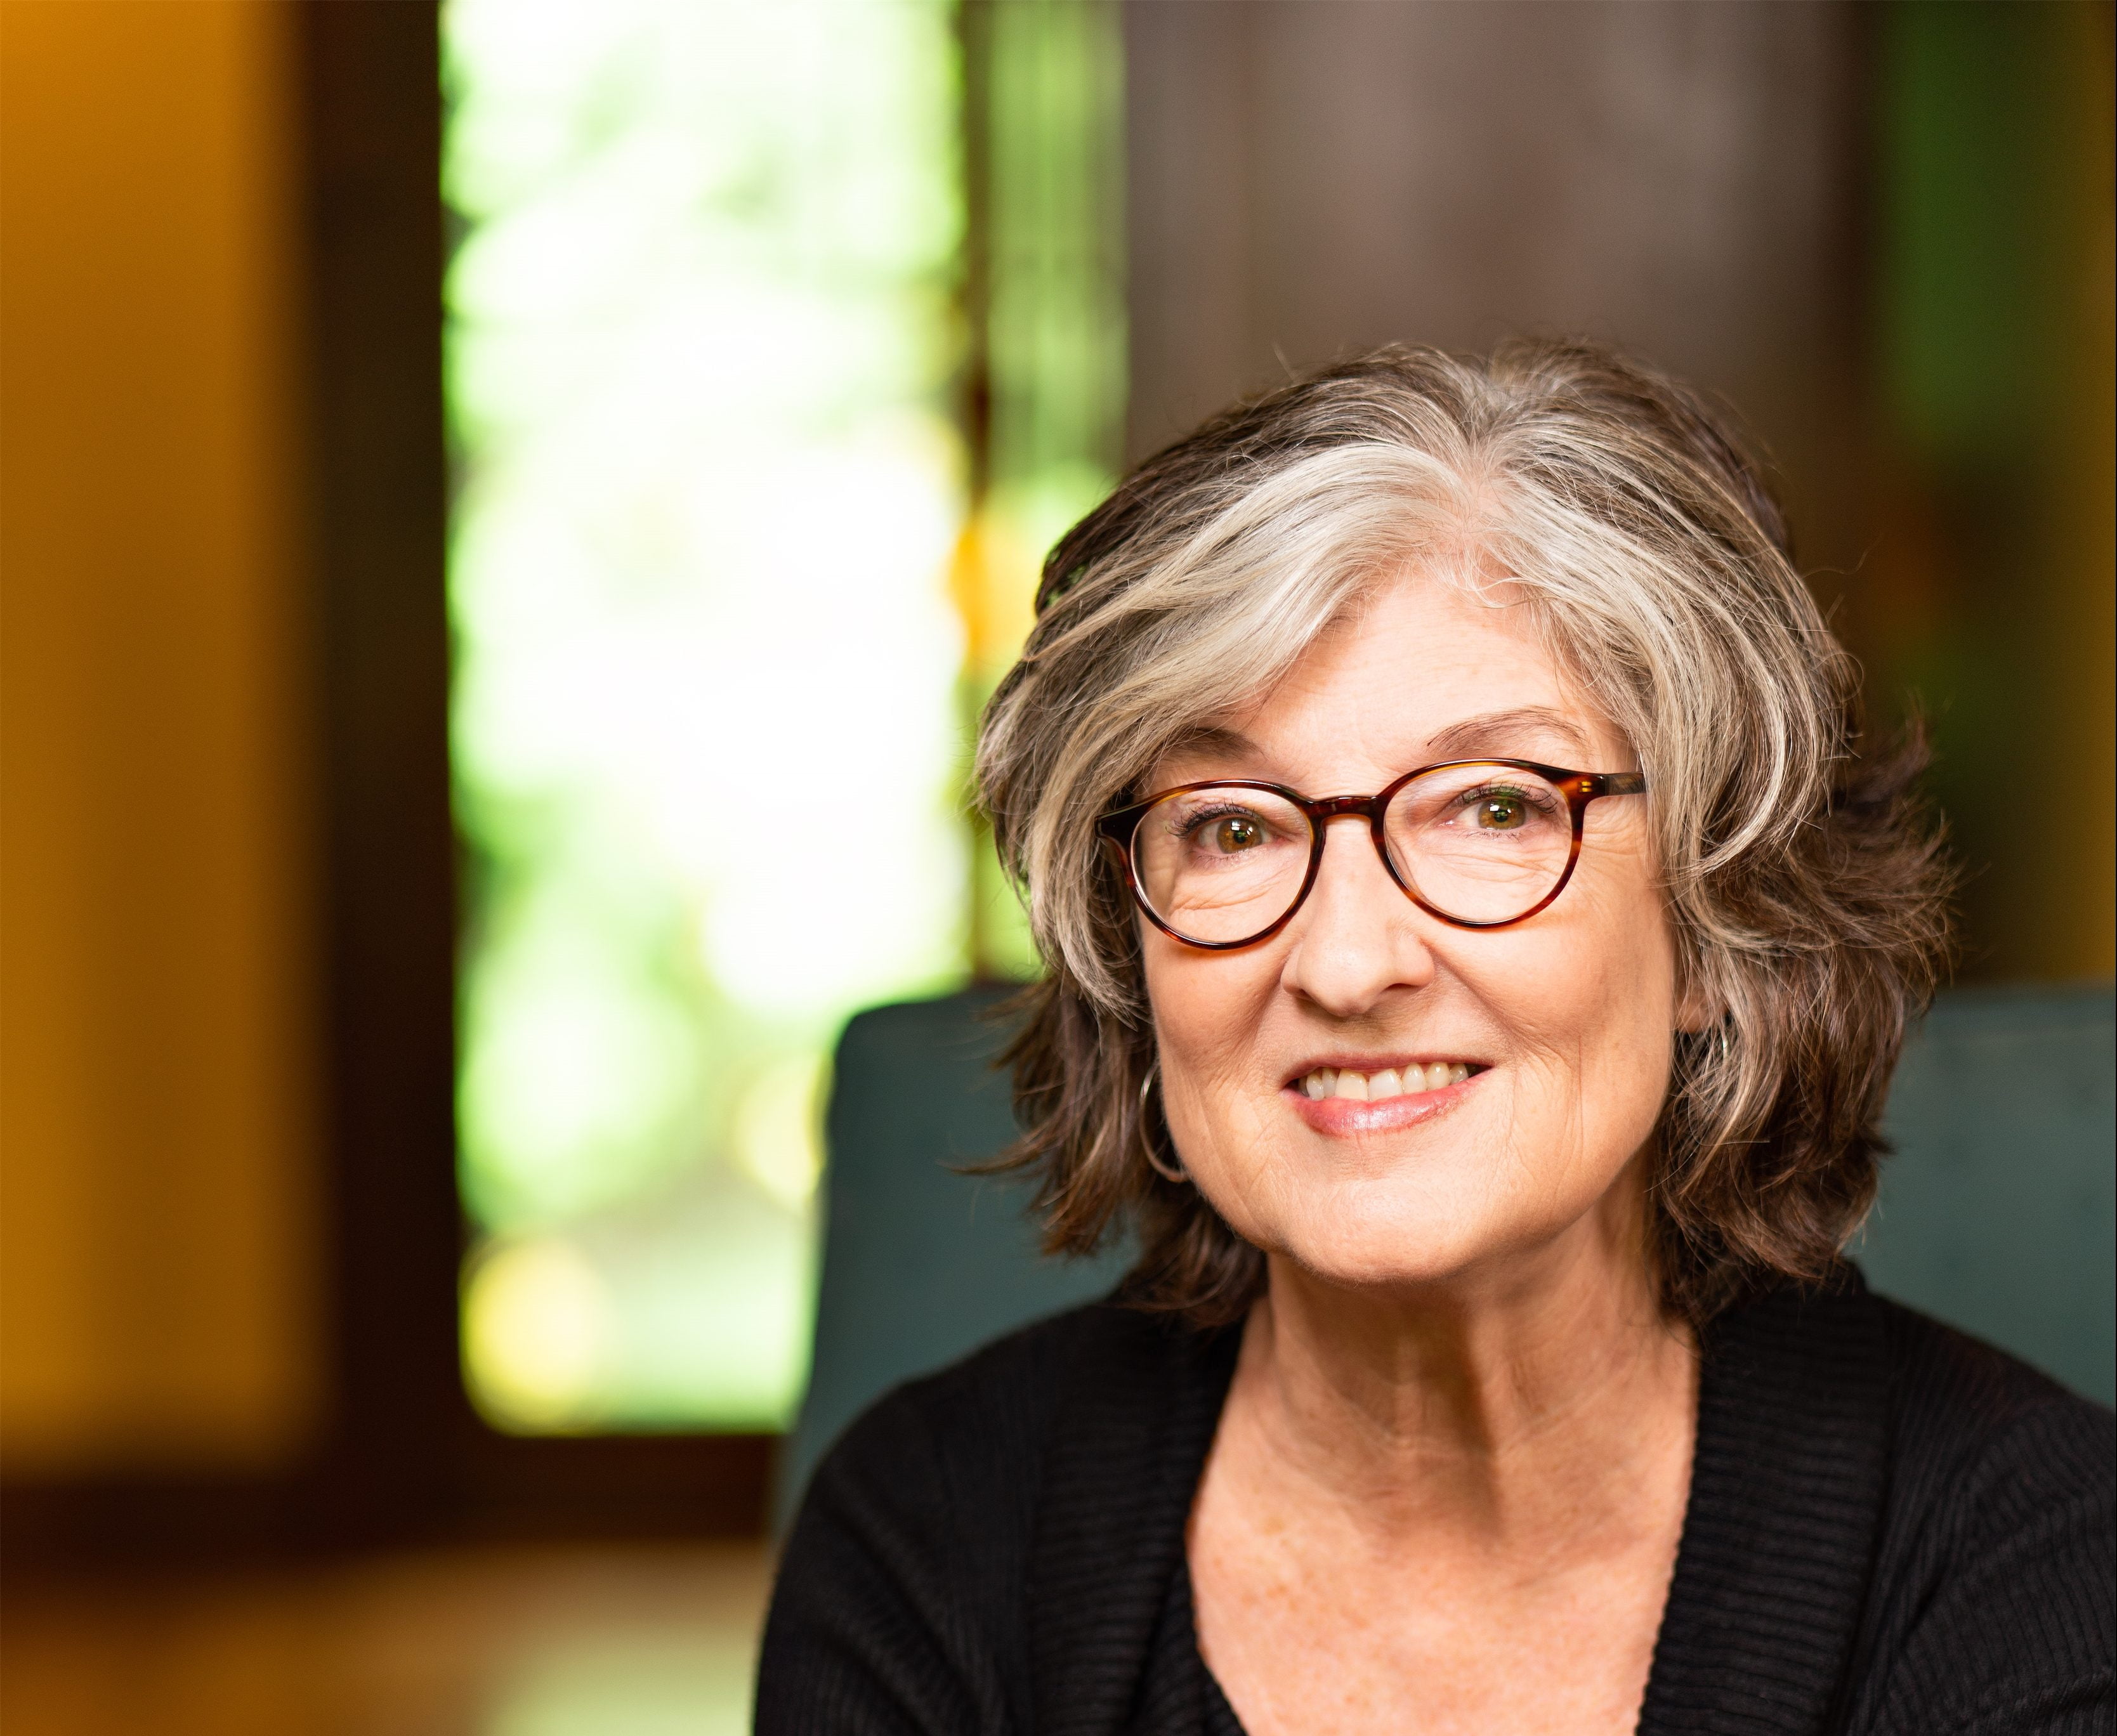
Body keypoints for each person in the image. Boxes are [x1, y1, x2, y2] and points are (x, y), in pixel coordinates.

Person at [756, 343, 2113, 1735]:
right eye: (1231, 826)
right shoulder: (924, 1545)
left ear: (1719, 919)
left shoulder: (2035, 1563)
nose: (1348, 962)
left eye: (1494, 808)